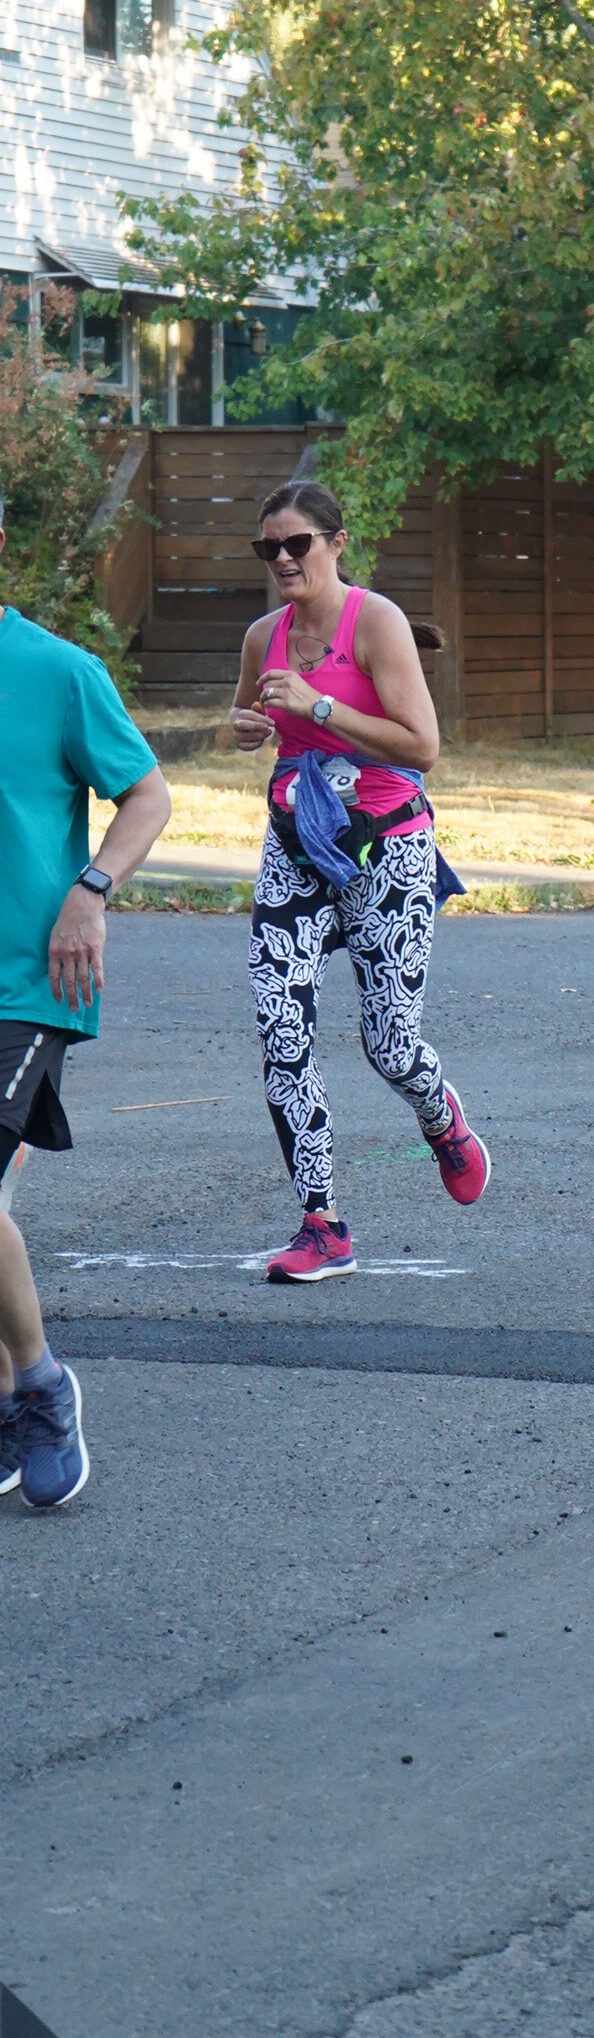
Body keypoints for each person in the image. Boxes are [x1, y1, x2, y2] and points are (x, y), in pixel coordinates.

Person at [230, 475, 488, 1282]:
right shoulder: (262, 636)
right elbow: (250, 720)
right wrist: (247, 727)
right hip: (297, 845)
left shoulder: (375, 622)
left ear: (336, 544)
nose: (282, 558)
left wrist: (317, 708)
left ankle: (440, 1116)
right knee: (280, 1028)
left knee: (390, 1045)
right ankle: (322, 1224)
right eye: (268, 547)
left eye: (296, 543)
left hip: (387, 847)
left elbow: (422, 746)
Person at [0, 490, 171, 1506]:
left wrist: (92, 888)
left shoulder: (59, 671)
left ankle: (41, 1385)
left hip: (26, 979)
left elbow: (147, 793)